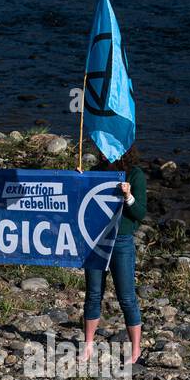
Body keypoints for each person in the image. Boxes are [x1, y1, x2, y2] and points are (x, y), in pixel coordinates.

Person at [82, 145, 145, 364]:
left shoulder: (135, 174)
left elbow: (140, 213)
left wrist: (128, 195)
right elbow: (80, 202)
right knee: (93, 294)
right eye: (102, 147)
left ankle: (135, 350)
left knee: (127, 297)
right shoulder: (95, 171)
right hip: (95, 240)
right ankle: (88, 345)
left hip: (121, 241)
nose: (104, 151)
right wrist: (77, 180)